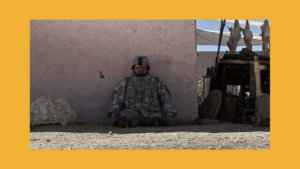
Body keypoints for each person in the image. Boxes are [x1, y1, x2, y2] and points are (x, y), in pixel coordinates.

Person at [107, 56, 177, 128]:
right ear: (133, 68)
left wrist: (170, 113)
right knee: (122, 122)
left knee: (157, 123)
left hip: (152, 113)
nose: (141, 69)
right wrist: (114, 113)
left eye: (144, 67)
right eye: (138, 67)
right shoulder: (126, 82)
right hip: (131, 112)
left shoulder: (156, 81)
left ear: (147, 69)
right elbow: (118, 98)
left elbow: (165, 98)